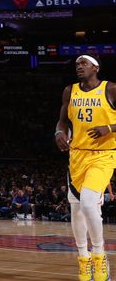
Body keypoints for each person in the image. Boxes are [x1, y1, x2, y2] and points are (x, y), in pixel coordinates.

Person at [55, 54, 116, 281]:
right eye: (77, 64)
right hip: (77, 155)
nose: (79, 66)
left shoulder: (111, 89)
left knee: (90, 203)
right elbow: (63, 120)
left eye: (84, 63)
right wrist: (59, 132)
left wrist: (109, 127)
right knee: (77, 209)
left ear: (96, 67)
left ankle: (99, 255)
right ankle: (84, 259)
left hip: (104, 155)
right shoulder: (70, 91)